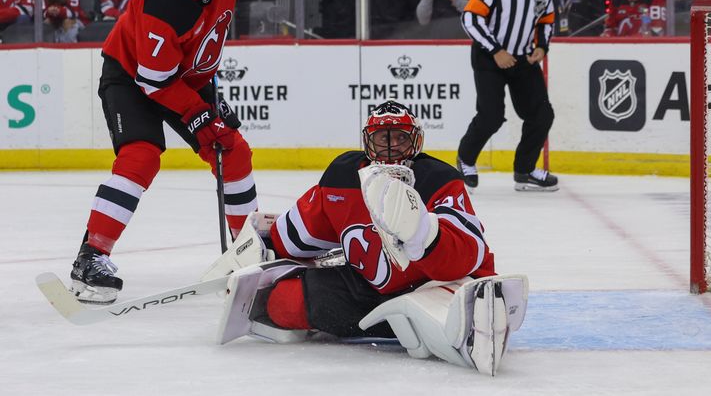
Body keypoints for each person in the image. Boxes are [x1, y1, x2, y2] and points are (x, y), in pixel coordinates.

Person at [213, 100, 528, 376]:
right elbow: (299, 233)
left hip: (431, 284)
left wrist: (422, 233)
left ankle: (465, 318)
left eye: (400, 139)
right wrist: (264, 244)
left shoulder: (439, 179)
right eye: (381, 139)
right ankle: (416, 327)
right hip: (367, 289)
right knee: (282, 304)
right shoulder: (342, 177)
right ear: (367, 142)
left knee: (446, 317)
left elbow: (470, 250)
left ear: (416, 142)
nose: (390, 148)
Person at [68, 0, 259, 304]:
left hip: (183, 75)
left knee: (232, 149)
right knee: (141, 156)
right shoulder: (161, 3)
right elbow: (155, 82)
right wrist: (199, 112)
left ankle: (248, 249)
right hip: (131, 76)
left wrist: (208, 102)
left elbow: (211, 25)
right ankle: (91, 257)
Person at [457, 0, 558, 192]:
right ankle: (466, 158)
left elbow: (546, 21)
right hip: (489, 57)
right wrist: (495, 50)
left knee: (542, 114)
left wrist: (542, 47)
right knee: (491, 116)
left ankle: (524, 170)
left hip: (523, 59)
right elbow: (470, 17)